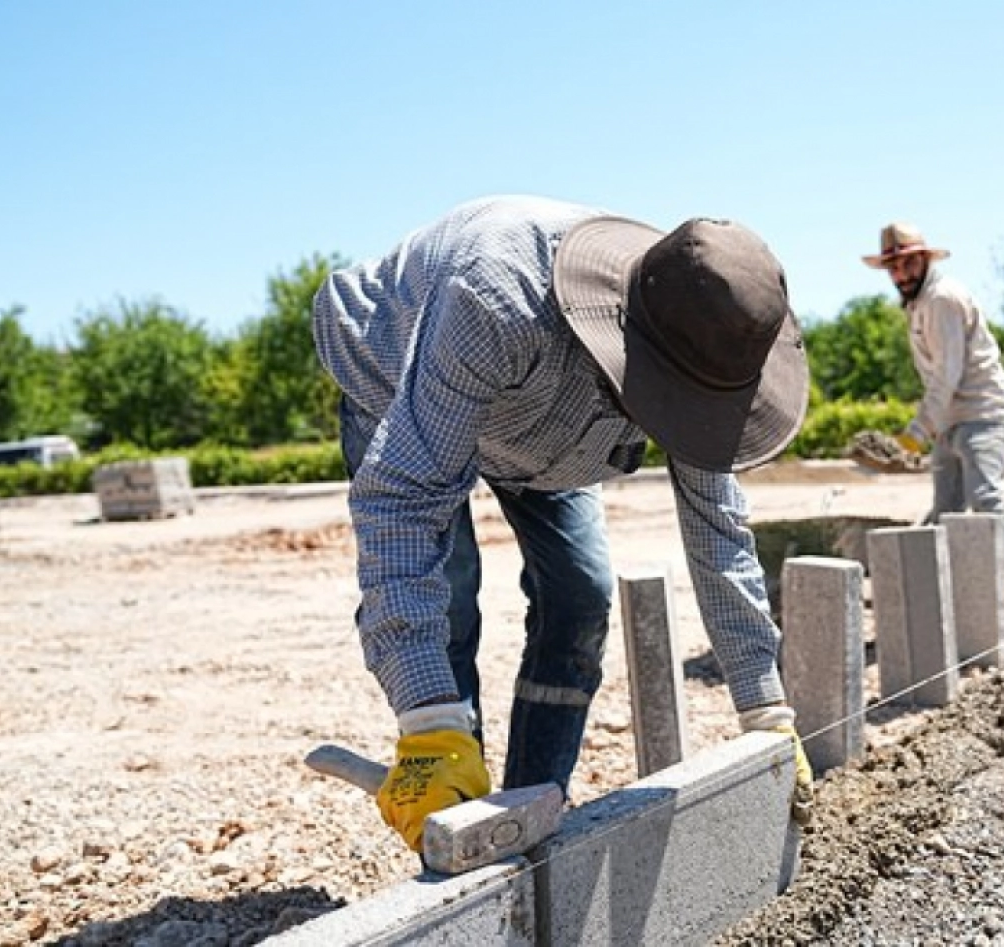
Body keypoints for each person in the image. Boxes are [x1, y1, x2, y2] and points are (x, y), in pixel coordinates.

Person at [312, 195, 812, 853]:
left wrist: (765, 707)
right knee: (449, 598)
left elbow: (718, 525)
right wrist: (427, 718)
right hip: (396, 366)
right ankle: (453, 803)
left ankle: (529, 813)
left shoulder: (700, 329)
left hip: (539, 423)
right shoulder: (499, 298)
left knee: (580, 593)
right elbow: (403, 499)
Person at [861, 222, 1004, 639]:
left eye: (907, 264)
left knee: (987, 499)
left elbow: (946, 375)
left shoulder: (942, 299)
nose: (900, 274)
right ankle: (927, 605)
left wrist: (915, 434)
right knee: (945, 512)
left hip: (982, 414)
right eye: (893, 268)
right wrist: (929, 432)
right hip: (952, 421)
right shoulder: (918, 303)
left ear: (924, 259)